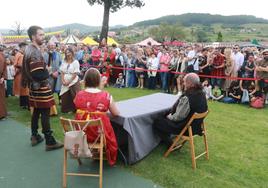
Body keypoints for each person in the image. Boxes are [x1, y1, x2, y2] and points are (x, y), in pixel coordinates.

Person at [21, 25, 63, 150]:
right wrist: (48, 71)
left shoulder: (29, 49)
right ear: (33, 36)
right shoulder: (34, 51)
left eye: (43, 34)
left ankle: (35, 136)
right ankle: (49, 141)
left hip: (34, 87)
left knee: (37, 111)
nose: (43, 37)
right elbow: (37, 74)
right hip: (40, 87)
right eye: (41, 34)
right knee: (44, 112)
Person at [74, 68, 120, 166]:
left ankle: (94, 152)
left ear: (85, 80)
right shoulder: (106, 96)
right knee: (106, 127)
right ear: (98, 80)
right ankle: (99, 152)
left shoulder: (79, 95)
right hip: (99, 135)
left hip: (80, 134)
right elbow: (116, 113)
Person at [153, 73, 208, 145]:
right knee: (164, 117)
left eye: (185, 82)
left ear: (190, 83)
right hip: (196, 127)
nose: (184, 84)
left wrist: (168, 116)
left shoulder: (188, 97)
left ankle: (170, 144)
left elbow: (178, 117)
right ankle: (166, 140)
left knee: (158, 121)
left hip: (185, 128)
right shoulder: (202, 93)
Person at [59, 47, 81, 113]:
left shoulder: (75, 62)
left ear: (72, 53)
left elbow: (75, 73)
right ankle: (67, 109)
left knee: (74, 95)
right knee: (65, 95)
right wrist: (63, 80)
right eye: (66, 53)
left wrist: (69, 81)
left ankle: (75, 109)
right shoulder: (64, 62)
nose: (68, 54)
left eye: (69, 52)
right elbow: (62, 72)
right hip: (65, 81)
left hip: (73, 81)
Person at [13, 42, 29, 109]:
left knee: (23, 89)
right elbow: (17, 65)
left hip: (22, 73)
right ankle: (25, 104)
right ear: (22, 47)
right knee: (24, 89)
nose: (26, 48)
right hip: (21, 74)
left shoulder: (20, 54)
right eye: (25, 47)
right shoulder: (20, 55)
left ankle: (23, 104)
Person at [0, 45, 7, 120]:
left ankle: (2, 114)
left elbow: (4, 67)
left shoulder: (2, 55)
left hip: (1, 80)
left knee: (1, 97)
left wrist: (2, 77)